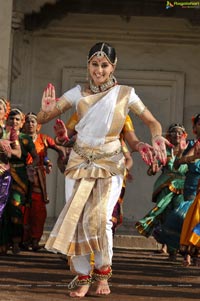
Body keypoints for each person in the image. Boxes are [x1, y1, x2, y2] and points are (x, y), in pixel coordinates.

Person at [37, 42, 168, 298]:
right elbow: (43, 119)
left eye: (104, 65)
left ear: (113, 67)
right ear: (88, 65)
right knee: (77, 219)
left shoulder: (125, 94)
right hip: (79, 162)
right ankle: (83, 275)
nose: (99, 70)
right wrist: (45, 108)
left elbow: (151, 121)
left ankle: (103, 272)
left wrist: (154, 138)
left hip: (110, 162)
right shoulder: (77, 93)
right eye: (94, 64)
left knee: (100, 220)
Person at [135, 123, 189, 260]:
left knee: (180, 216)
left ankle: (181, 249)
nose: (176, 135)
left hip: (183, 188)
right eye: (173, 132)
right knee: (164, 215)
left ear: (183, 135)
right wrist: (153, 168)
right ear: (168, 136)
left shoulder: (189, 150)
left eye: (179, 133)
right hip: (165, 187)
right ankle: (170, 250)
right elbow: (153, 170)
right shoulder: (164, 151)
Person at [22, 112, 65, 251]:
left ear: (38, 125)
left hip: (37, 178)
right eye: (27, 121)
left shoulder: (44, 139)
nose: (30, 124)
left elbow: (60, 149)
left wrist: (57, 162)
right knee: (22, 208)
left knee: (38, 209)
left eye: (33, 121)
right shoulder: (18, 138)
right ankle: (22, 240)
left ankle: (35, 240)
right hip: (20, 176)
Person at [6, 108, 39, 254]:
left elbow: (36, 156)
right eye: (11, 119)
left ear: (21, 123)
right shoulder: (3, 135)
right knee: (3, 209)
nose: (14, 122)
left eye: (17, 119)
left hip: (19, 176)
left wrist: (32, 166)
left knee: (16, 208)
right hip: (3, 174)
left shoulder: (25, 139)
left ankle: (16, 243)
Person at [175, 114, 200, 266]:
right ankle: (189, 254)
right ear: (195, 127)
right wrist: (193, 157)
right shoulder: (192, 143)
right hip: (193, 185)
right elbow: (178, 163)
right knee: (193, 218)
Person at [0, 98, 22, 255]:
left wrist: (9, 152)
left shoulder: (9, 131)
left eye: (0, 108)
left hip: (3, 174)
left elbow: (18, 153)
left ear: (4, 112)